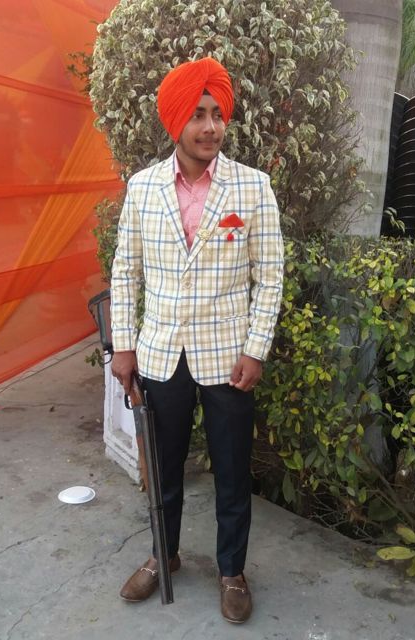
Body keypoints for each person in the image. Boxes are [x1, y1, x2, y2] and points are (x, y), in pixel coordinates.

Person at [110, 56, 284, 624]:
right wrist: (124, 346)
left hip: (228, 357)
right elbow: (125, 272)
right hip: (162, 353)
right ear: (175, 121)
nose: (211, 127)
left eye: (217, 114)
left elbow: (270, 276)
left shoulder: (252, 188)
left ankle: (232, 570)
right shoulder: (143, 189)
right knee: (163, 467)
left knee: (232, 470)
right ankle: (164, 555)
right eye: (198, 115)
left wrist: (256, 348)